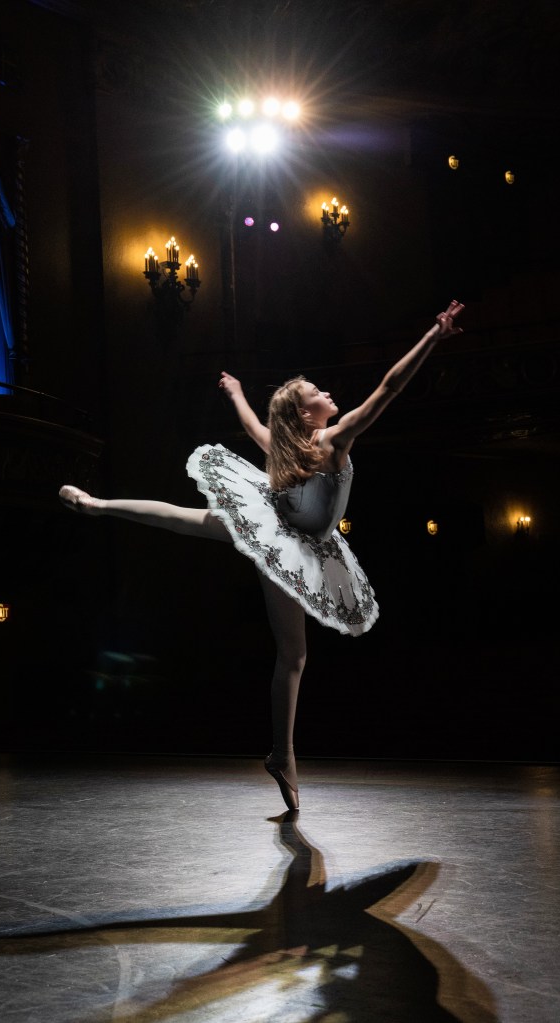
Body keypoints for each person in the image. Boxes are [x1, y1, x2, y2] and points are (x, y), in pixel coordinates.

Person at [59, 300, 465, 811]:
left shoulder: (289, 446)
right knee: (291, 653)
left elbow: (254, 427)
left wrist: (236, 393)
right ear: (304, 413)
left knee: (193, 528)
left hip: (289, 538)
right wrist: (433, 334)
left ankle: (98, 506)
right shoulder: (333, 441)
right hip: (281, 538)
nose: (328, 392)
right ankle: (282, 754)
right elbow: (388, 388)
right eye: (318, 392)